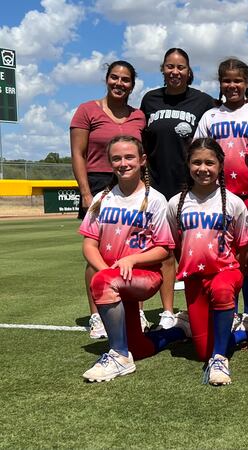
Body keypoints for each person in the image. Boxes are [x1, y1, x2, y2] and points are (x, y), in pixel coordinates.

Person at [79, 135, 190, 382]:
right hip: (113, 275)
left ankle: (119, 356)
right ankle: (181, 329)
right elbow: (89, 244)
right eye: (116, 158)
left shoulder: (156, 200)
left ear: (142, 160)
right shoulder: (101, 199)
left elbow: (164, 249)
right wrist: (105, 270)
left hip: (144, 276)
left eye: (129, 157)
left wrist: (132, 261)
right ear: (110, 163)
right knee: (139, 347)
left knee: (103, 283)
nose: (123, 163)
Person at [168, 138, 248, 386]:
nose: (203, 168)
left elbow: (244, 247)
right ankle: (245, 331)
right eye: (197, 162)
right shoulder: (175, 203)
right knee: (202, 350)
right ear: (188, 164)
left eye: (209, 163)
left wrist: (230, 272)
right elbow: (176, 244)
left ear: (220, 165)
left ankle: (220, 359)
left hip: (225, 274)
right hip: (195, 279)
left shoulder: (234, 203)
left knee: (222, 292)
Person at [70, 61, 148, 340]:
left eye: (126, 80)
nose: (119, 83)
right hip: (98, 183)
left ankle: (135, 309)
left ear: (132, 85)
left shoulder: (139, 116)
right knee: (96, 252)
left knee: (133, 247)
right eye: (115, 77)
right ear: (106, 79)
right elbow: (78, 154)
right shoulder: (87, 110)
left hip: (131, 182)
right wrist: (86, 193)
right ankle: (97, 314)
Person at [140, 48, 216, 331]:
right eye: (170, 66)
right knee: (151, 248)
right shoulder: (150, 99)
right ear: (162, 69)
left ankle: (199, 308)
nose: (175, 71)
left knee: (192, 248)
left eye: (180, 67)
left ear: (188, 70)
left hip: (189, 186)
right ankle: (151, 311)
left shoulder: (203, 101)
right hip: (156, 185)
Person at [194, 58, 248, 330]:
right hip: (219, 197)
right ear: (220, 83)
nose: (232, 85)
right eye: (227, 80)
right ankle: (230, 312)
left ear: (247, 83)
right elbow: (198, 152)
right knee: (225, 256)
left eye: (238, 80)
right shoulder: (211, 116)